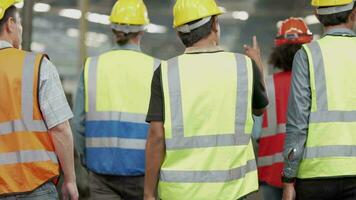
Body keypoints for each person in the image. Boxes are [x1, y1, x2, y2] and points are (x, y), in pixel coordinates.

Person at [143, 0, 268, 199]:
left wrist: (149, 193)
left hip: (180, 192)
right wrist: (257, 64)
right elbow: (259, 110)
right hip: (234, 190)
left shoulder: (165, 72)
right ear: (215, 24)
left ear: (179, 33)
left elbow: (156, 136)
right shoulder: (243, 66)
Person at [72, 0, 160, 199]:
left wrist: (87, 160)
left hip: (101, 172)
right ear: (143, 30)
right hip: (144, 172)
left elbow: (78, 123)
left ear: (112, 29)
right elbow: (163, 128)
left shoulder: (91, 67)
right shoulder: (157, 68)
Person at [0, 0, 78, 199]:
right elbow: (60, 129)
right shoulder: (36, 65)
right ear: (10, 24)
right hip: (36, 185)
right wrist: (70, 180)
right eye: (19, 23)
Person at [282, 0, 356, 200]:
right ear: (354, 13)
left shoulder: (307, 55)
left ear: (316, 14)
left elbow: (297, 124)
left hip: (316, 176)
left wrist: (289, 178)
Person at [253, 18, 313, 200]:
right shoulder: (314, 84)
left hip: (272, 173)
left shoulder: (267, 86)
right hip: (306, 172)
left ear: (278, 50)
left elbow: (256, 133)